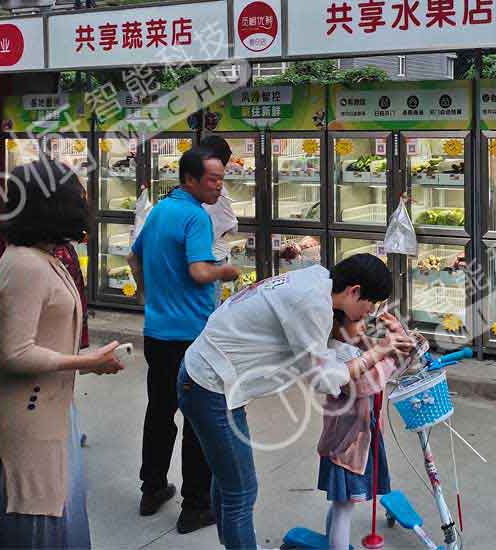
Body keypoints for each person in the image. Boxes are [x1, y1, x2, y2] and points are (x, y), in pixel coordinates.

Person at [177, 254, 414, 550]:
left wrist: (379, 346)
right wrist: (377, 353)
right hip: (209, 386)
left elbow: (326, 350)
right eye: (370, 305)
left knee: (229, 482)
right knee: (241, 491)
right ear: (354, 291)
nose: (368, 314)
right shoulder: (311, 304)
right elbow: (324, 378)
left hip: (211, 377)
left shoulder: (317, 281)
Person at [0, 160, 125, 549]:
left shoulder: (40, 256)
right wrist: (88, 363)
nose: (83, 199)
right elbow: (14, 353)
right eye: (76, 192)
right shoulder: (26, 265)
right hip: (23, 425)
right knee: (33, 524)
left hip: (47, 417)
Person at [127, 146, 240, 534]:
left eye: (222, 178)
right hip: (192, 336)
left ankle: (152, 489)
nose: (219, 186)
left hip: (157, 333)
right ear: (190, 179)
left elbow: (133, 258)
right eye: (213, 179)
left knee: (160, 412)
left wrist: (147, 297)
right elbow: (198, 272)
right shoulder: (196, 216)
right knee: (199, 421)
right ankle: (195, 506)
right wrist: (225, 271)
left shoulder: (160, 211)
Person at [318, 310, 396, 550]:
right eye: (356, 321)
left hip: (358, 441)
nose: (363, 325)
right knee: (344, 508)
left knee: (341, 505)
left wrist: (395, 333)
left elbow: (397, 351)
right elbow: (364, 384)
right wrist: (388, 355)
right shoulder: (336, 355)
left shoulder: (355, 346)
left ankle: (331, 541)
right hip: (347, 447)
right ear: (335, 325)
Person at [198, 135, 239, 304]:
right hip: (212, 257)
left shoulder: (189, 183)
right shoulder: (216, 188)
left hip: (192, 257)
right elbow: (231, 226)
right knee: (209, 309)